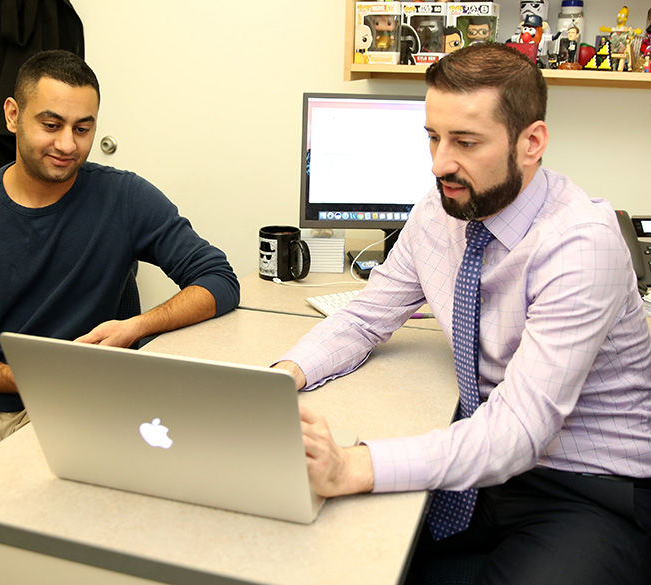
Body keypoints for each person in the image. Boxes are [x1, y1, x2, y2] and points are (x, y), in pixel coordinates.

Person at [276, 43, 651, 585]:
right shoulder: (439, 210)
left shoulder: (580, 244)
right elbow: (364, 318)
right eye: (433, 137)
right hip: (482, 466)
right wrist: (277, 381)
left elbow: (519, 430)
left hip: (586, 487)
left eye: (465, 142)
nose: (439, 164)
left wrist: (353, 464)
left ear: (532, 143)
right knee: (335, 557)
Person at [0, 49, 239, 584]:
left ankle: (28, 551)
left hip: (83, 404)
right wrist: (16, 376)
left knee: (132, 530)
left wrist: (136, 326)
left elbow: (217, 279)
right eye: (51, 124)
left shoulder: (124, 196)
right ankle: (16, 561)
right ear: (13, 115)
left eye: (83, 128)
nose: (68, 144)